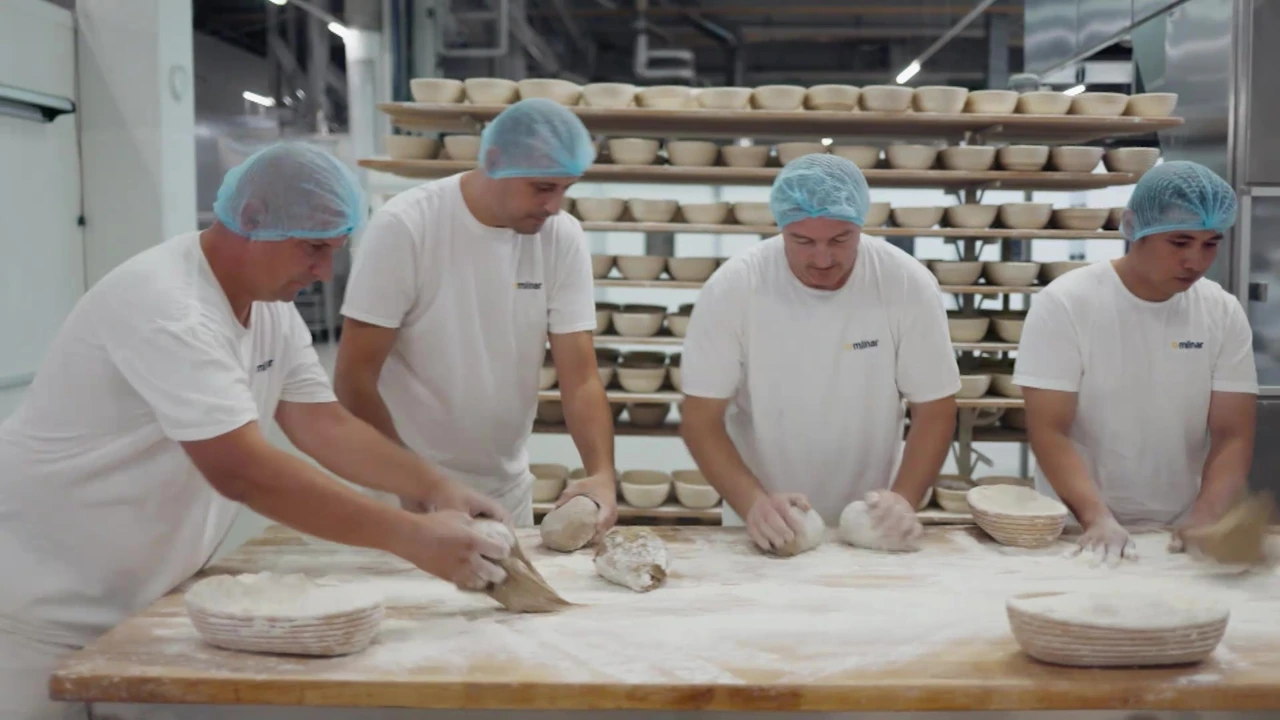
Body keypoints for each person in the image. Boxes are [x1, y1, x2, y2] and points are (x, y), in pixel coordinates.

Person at [0, 143, 514, 720]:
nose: (324, 273)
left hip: (142, 598)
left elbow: (323, 424)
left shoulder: (268, 307)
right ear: (251, 221)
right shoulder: (170, 309)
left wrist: (434, 486)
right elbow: (243, 472)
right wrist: (411, 538)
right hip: (43, 605)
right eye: (314, 248)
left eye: (335, 251)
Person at [334, 98, 618, 534]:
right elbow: (354, 378)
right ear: (493, 161)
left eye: (565, 188)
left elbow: (579, 376)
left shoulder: (561, 237)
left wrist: (601, 473)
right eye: (543, 188)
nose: (554, 205)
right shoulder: (408, 225)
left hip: (504, 490)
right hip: (401, 490)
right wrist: (410, 479)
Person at [678, 153, 962, 553]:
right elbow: (700, 420)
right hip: (763, 526)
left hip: (874, 523)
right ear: (781, 229)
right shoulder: (735, 289)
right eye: (803, 241)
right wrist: (752, 503)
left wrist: (904, 497)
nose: (823, 259)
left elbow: (935, 408)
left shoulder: (905, 284)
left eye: (840, 239)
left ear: (861, 225)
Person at [1014, 160, 1258, 564]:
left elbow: (1233, 433)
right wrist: (1096, 518)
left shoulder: (1221, 311)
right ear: (1134, 228)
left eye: (1210, 244)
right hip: (1077, 527)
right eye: (1180, 243)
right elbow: (1049, 429)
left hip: (1177, 529)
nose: (1195, 261)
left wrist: (1207, 515)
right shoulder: (1067, 303)